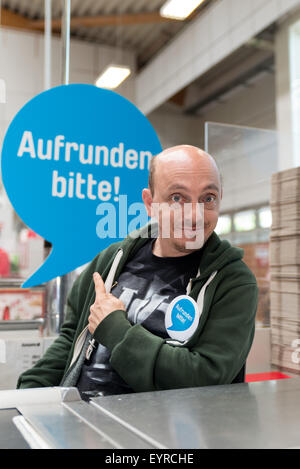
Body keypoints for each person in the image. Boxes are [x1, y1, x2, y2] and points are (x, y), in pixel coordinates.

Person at [17, 145, 258, 399]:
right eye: (178, 198)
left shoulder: (232, 282)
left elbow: (205, 378)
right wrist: (28, 393)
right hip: (81, 423)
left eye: (208, 198)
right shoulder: (112, 260)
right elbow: (71, 339)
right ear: (150, 203)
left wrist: (116, 329)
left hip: (161, 435)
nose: (194, 216)